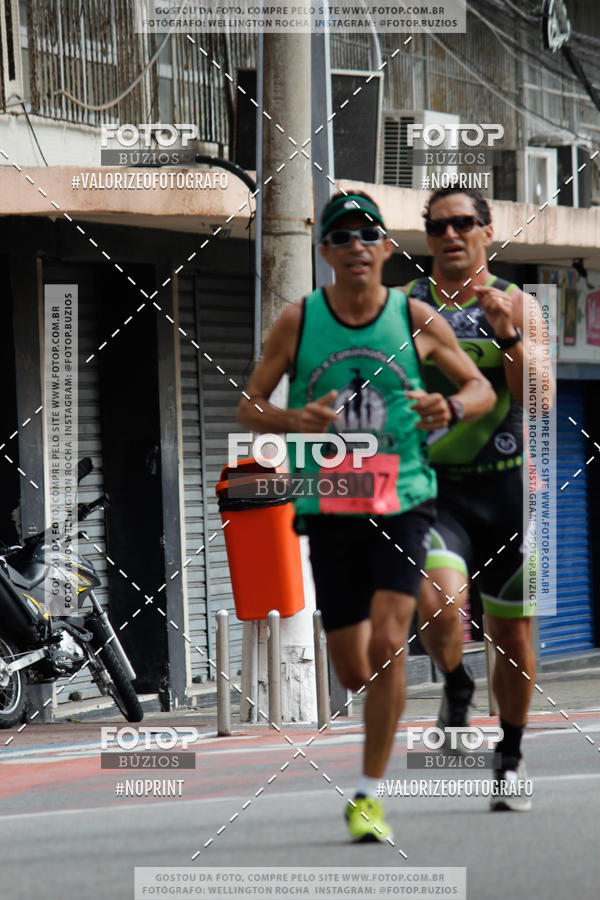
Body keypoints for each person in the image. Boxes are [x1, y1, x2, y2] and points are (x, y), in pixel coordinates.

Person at [237, 191, 495, 841]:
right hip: (328, 505)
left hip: (403, 498)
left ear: (386, 248)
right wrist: (293, 420)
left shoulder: (414, 317)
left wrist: (452, 408)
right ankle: (397, 688)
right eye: (342, 236)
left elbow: (481, 386)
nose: (356, 245)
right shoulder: (298, 323)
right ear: (324, 252)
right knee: (355, 670)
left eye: (368, 235)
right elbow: (249, 407)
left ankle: (368, 795)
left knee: (386, 647)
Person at [401, 186, 554, 810]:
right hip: (437, 490)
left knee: (513, 638)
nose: (451, 235)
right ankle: (457, 683)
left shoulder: (521, 304)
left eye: (464, 223)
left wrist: (509, 338)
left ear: (488, 232)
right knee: (439, 605)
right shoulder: (407, 308)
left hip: (512, 489)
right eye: (438, 227)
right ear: (429, 238)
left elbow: (540, 399)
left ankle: (510, 759)